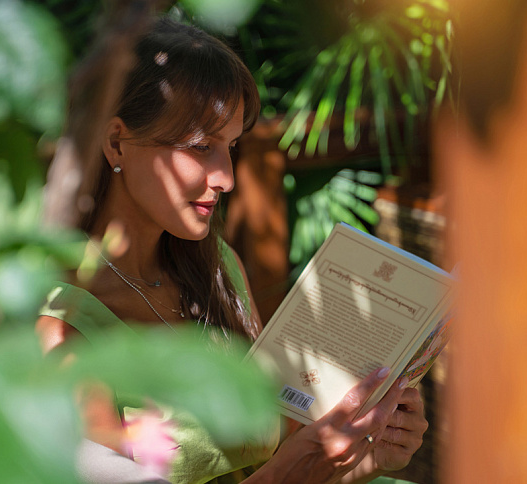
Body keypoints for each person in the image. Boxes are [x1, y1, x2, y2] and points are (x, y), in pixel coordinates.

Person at [37, 16, 428, 484]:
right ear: (117, 143)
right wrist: (293, 470)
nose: (226, 177)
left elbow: (273, 455)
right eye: (202, 146)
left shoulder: (219, 266)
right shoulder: (62, 329)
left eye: (231, 146)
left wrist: (371, 453)